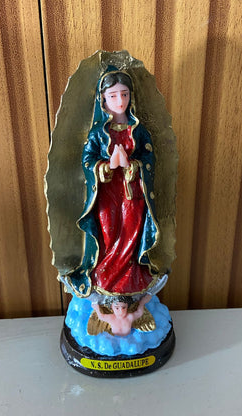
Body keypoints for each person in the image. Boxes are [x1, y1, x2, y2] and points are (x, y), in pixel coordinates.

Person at [64, 69, 160, 297]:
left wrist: (133, 165)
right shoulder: (98, 133)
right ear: (103, 100)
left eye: (124, 94)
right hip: (106, 192)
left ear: (131, 96)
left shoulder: (138, 131)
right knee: (108, 231)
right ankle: (104, 277)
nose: (120, 101)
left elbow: (149, 158)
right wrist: (104, 167)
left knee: (131, 231)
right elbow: (87, 159)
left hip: (132, 191)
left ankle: (129, 278)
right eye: (113, 96)